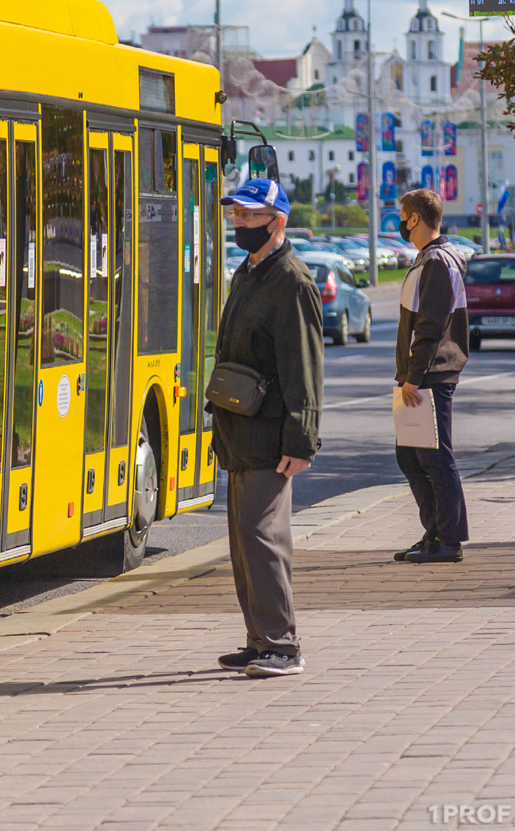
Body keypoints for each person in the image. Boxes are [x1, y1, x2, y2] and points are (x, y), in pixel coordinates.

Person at [210, 178, 324, 679]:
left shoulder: (292, 282)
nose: (240, 224)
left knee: (263, 537)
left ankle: (283, 645)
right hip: (240, 431)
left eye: (251, 217)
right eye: (236, 216)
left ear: (277, 222)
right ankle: (260, 640)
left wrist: (302, 441)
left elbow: (304, 369)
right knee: (243, 541)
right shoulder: (250, 273)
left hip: (271, 436)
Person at [393, 188, 469, 563]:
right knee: (410, 455)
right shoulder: (429, 258)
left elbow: (431, 325)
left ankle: (448, 541)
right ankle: (435, 532)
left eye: (402, 215)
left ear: (416, 218)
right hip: (421, 374)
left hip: (430, 375)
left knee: (435, 457)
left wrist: (414, 374)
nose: (400, 222)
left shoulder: (438, 261)